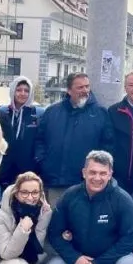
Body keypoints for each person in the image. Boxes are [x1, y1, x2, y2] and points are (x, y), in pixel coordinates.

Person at [43, 151, 133, 264]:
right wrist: (75, 259)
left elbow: (130, 238)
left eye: (103, 173)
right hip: (79, 260)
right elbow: (55, 234)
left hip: (111, 260)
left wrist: (99, 263)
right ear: (84, 172)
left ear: (110, 174)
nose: (97, 178)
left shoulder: (122, 199)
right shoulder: (69, 197)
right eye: (93, 172)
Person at [35, 72, 113, 205]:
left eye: (87, 87)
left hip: (86, 185)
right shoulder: (52, 112)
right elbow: (39, 140)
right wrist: (43, 162)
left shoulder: (100, 114)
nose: (85, 91)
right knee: (55, 222)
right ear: (69, 90)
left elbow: (108, 146)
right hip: (55, 182)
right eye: (80, 87)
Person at [0, 76, 44, 191]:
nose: (22, 93)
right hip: (4, 169)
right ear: (13, 91)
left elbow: (42, 139)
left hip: (29, 169)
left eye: (26, 91)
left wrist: (39, 160)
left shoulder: (38, 114)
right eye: (19, 90)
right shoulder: (2, 112)